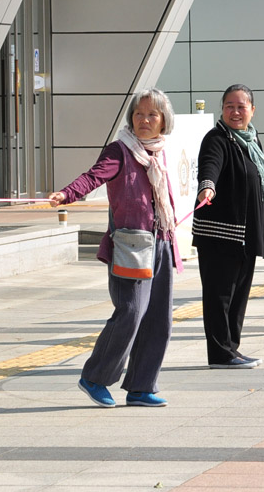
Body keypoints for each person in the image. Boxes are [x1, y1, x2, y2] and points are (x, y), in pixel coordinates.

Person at [48, 89, 182, 408]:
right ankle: (95, 377)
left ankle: (141, 386)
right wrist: (67, 194)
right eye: (139, 114)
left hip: (162, 240)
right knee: (131, 311)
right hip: (130, 244)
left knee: (158, 317)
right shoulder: (120, 151)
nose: (145, 120)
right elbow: (93, 177)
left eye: (152, 114)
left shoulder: (162, 152)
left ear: (164, 120)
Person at [193, 85, 264, 369]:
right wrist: (207, 188)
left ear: (253, 110)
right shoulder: (217, 139)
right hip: (221, 234)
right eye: (229, 106)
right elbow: (209, 166)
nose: (235, 112)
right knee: (220, 295)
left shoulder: (251, 141)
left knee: (238, 295)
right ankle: (219, 353)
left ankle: (232, 348)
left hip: (246, 234)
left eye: (241, 107)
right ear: (222, 109)